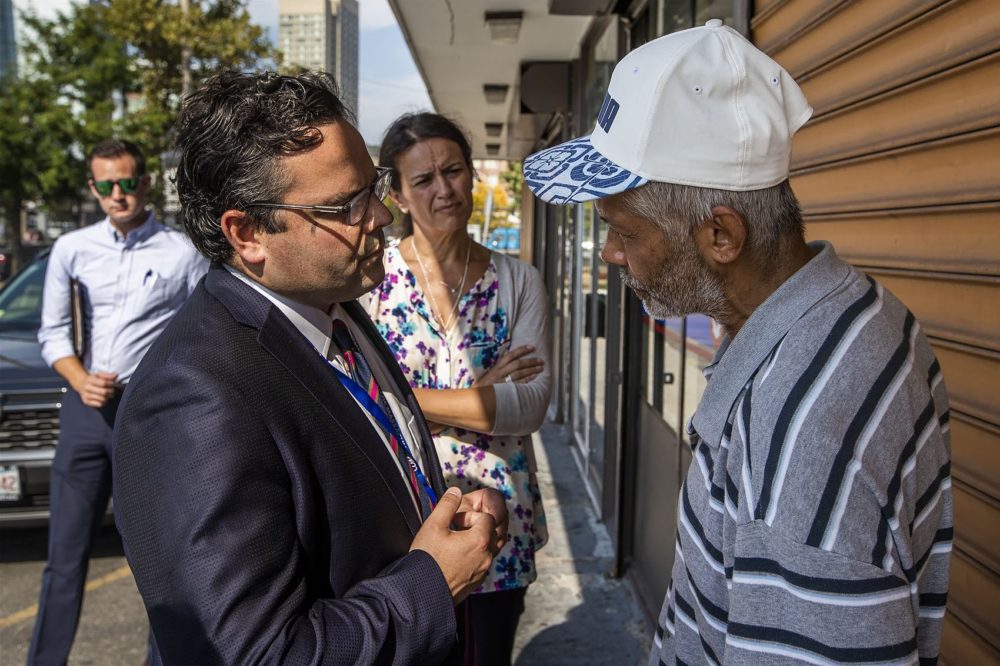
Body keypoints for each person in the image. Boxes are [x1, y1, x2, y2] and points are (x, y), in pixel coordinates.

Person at [524, 20, 952, 665]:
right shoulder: (860, 309)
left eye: (624, 230)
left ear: (720, 235)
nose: (609, 253)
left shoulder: (797, 436)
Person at [112, 70, 509, 666]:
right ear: (247, 234)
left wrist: (448, 513)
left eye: (372, 187)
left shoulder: (335, 303)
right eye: (346, 205)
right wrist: (432, 580)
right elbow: (259, 654)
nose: (379, 215)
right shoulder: (194, 398)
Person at [368, 113, 551, 665]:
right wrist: (481, 394)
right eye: (423, 180)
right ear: (397, 195)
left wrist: (404, 400)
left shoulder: (519, 280)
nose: (443, 189)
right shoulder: (371, 284)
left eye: (453, 171)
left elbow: (530, 406)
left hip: (500, 522)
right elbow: (357, 406)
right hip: (403, 523)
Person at [32, 139, 208, 666]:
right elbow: (52, 332)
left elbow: (200, 334)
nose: (118, 194)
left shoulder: (181, 252)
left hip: (150, 419)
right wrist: (79, 378)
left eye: (127, 183)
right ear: (93, 188)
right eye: (106, 185)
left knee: (158, 557)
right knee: (64, 558)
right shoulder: (72, 249)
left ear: (146, 183)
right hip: (85, 414)